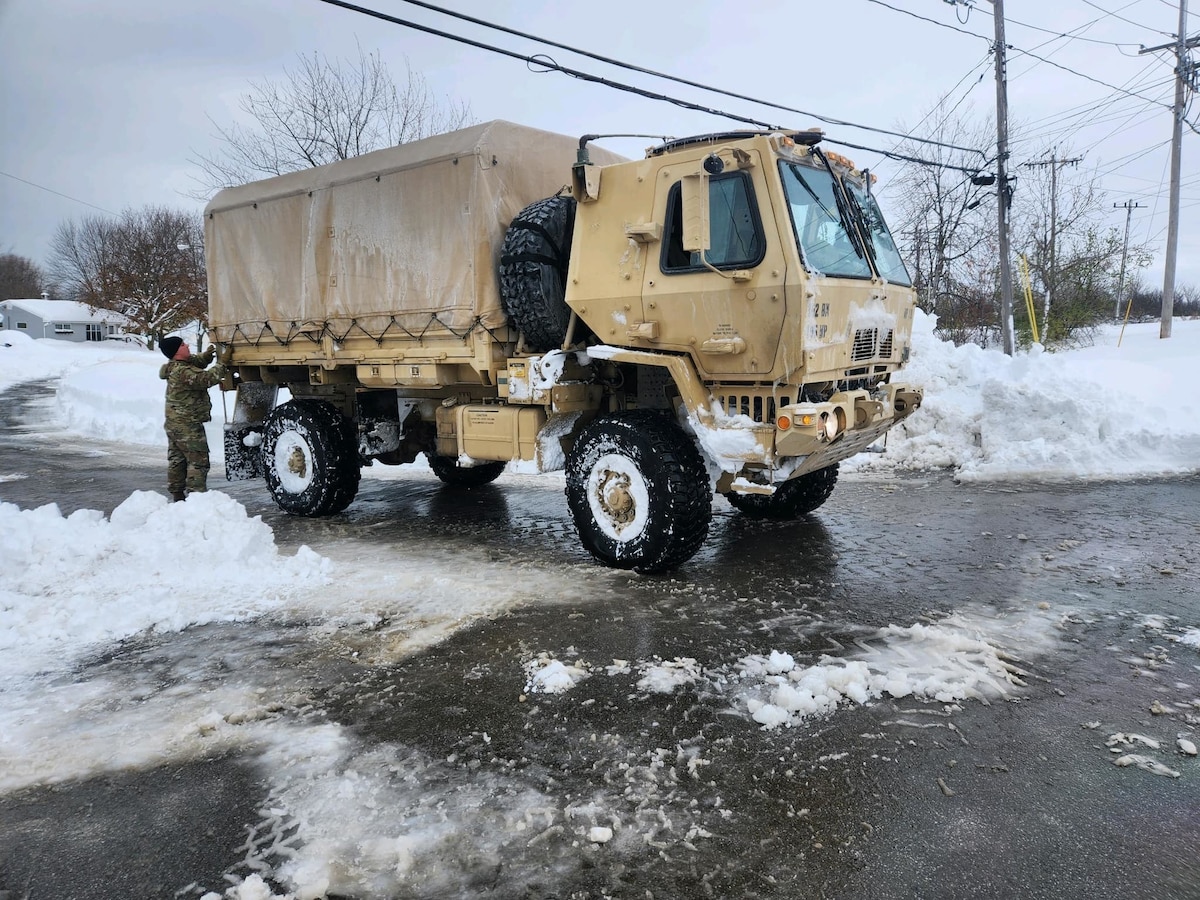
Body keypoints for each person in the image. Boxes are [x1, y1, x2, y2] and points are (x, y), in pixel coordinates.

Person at [158, 336, 231, 501]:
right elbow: (206, 379)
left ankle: (177, 495)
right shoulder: (182, 372)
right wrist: (223, 363)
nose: (187, 346)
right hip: (187, 424)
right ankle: (196, 498)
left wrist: (206, 357)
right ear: (177, 352)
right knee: (198, 460)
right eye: (183, 345)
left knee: (177, 459)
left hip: (174, 423)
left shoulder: (173, 366)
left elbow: (194, 362)